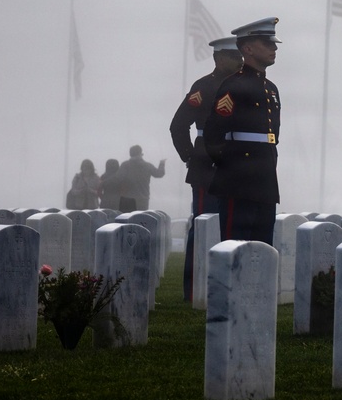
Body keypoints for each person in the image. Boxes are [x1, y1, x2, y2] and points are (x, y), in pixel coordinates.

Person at [170, 35, 242, 301]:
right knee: (204, 226)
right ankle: (193, 289)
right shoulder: (204, 86)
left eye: (241, 57)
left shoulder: (245, 85)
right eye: (234, 57)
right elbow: (178, 125)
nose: (239, 62)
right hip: (207, 168)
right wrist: (190, 156)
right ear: (219, 58)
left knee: (234, 226)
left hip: (237, 166)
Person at [203, 17, 282, 245]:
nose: (274, 48)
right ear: (247, 48)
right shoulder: (233, 85)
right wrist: (231, 167)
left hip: (265, 178)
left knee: (263, 246)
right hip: (238, 182)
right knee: (234, 247)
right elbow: (213, 134)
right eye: (267, 44)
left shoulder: (271, 89)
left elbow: (273, 137)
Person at [116, 145, 165, 211]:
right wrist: (162, 164)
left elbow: (118, 178)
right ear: (140, 154)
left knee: (126, 219)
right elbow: (159, 174)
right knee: (140, 219)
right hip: (143, 199)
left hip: (127, 198)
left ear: (130, 154)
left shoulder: (125, 165)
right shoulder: (147, 166)